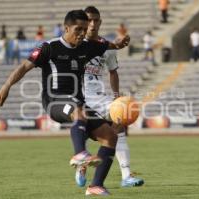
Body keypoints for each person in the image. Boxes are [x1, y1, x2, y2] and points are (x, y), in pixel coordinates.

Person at [0, 10, 130, 196]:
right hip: (54, 101)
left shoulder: (87, 46)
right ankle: (80, 154)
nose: (82, 33)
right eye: (78, 29)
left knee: (110, 136)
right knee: (77, 108)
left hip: (77, 103)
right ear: (66, 28)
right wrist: (6, 86)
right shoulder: (49, 47)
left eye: (84, 29)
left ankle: (95, 185)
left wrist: (119, 45)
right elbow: (24, 66)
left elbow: (106, 45)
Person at [74, 6, 144, 191]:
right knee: (88, 131)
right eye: (89, 20)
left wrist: (115, 96)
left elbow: (113, 72)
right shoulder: (75, 44)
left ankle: (126, 175)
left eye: (96, 20)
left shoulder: (107, 47)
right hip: (80, 98)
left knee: (119, 125)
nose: (92, 24)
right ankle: (82, 164)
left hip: (100, 97)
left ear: (100, 22)